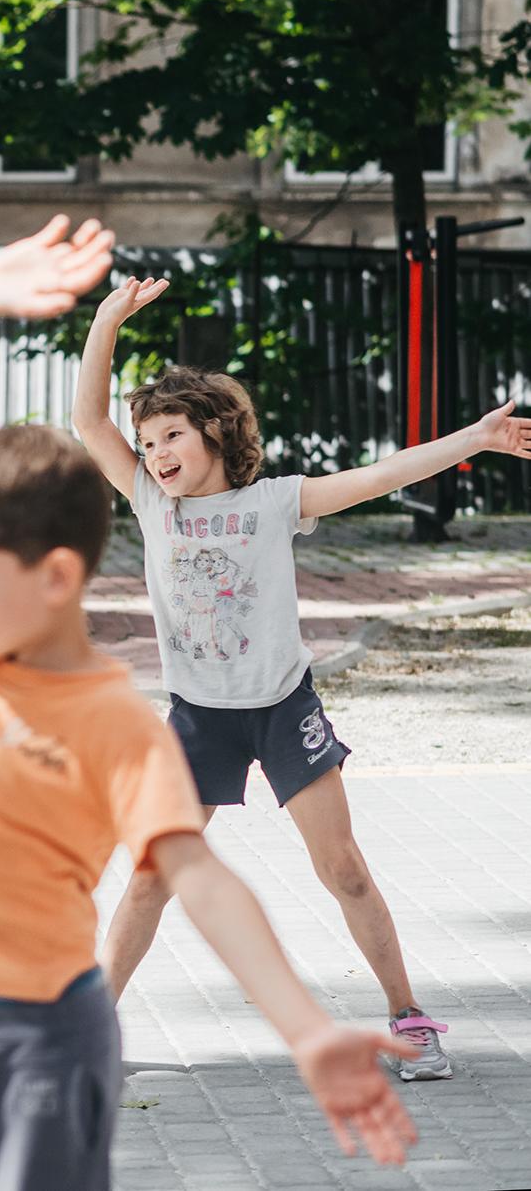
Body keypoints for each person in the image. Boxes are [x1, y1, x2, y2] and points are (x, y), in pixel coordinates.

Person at [0, 217, 418, 1189]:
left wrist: (306, 1028)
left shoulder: (114, 722)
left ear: (54, 576)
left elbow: (201, 881)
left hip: (45, 1038)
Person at [76, 275, 531, 1080]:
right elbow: (86, 420)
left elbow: (383, 475)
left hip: (285, 710)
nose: (157, 455)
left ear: (215, 433)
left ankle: (410, 1017)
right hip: (197, 718)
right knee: (150, 879)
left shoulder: (276, 502)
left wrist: (476, 438)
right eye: (147, 444)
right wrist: (107, 319)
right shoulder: (152, 504)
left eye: (172, 435)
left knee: (344, 868)